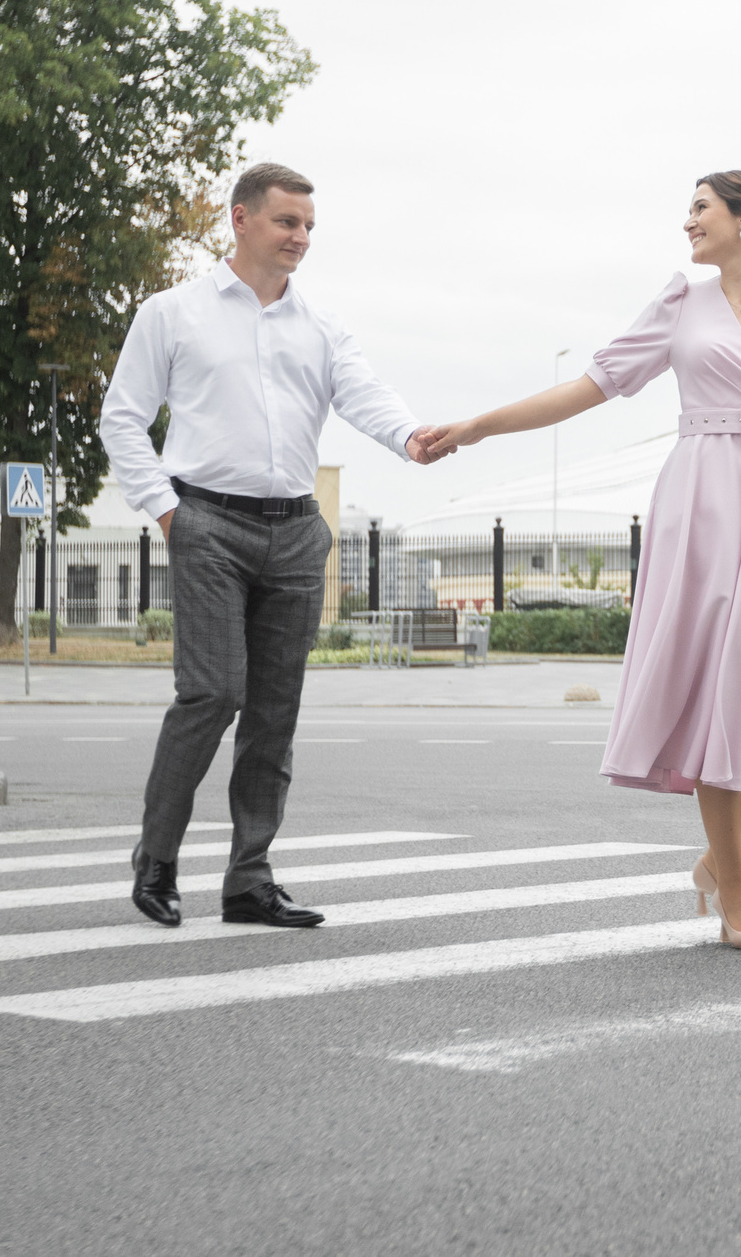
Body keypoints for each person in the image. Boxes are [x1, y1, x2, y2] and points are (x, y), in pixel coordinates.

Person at [420, 171, 741, 952]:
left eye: (700, 208)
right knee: (719, 689)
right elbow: (591, 387)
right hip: (701, 505)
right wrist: (478, 426)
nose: (687, 222)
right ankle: (736, 886)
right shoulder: (681, 303)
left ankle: (719, 862)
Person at [101, 163, 447, 930]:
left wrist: (410, 436)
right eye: (288, 221)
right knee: (213, 692)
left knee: (273, 713)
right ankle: (156, 857)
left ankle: (248, 881)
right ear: (242, 218)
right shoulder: (173, 312)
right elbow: (122, 416)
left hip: (295, 532)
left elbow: (363, 393)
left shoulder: (321, 326)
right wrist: (167, 511)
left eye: (310, 226)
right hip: (208, 524)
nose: (301, 237)